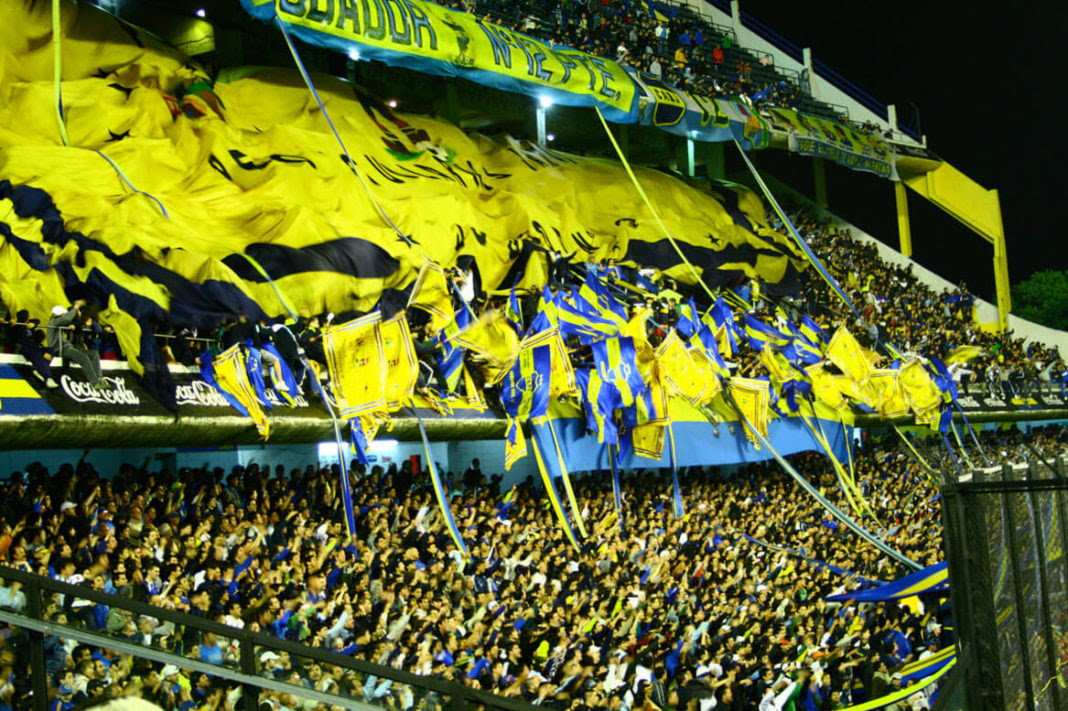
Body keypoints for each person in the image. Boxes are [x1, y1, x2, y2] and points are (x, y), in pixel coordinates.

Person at [47, 303, 107, 389]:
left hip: (70, 348)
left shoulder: (63, 323)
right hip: (61, 349)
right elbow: (66, 319)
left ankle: (100, 380)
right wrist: (75, 308)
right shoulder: (54, 322)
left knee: (93, 353)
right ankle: (95, 383)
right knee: (84, 358)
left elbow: (78, 325)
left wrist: (83, 324)